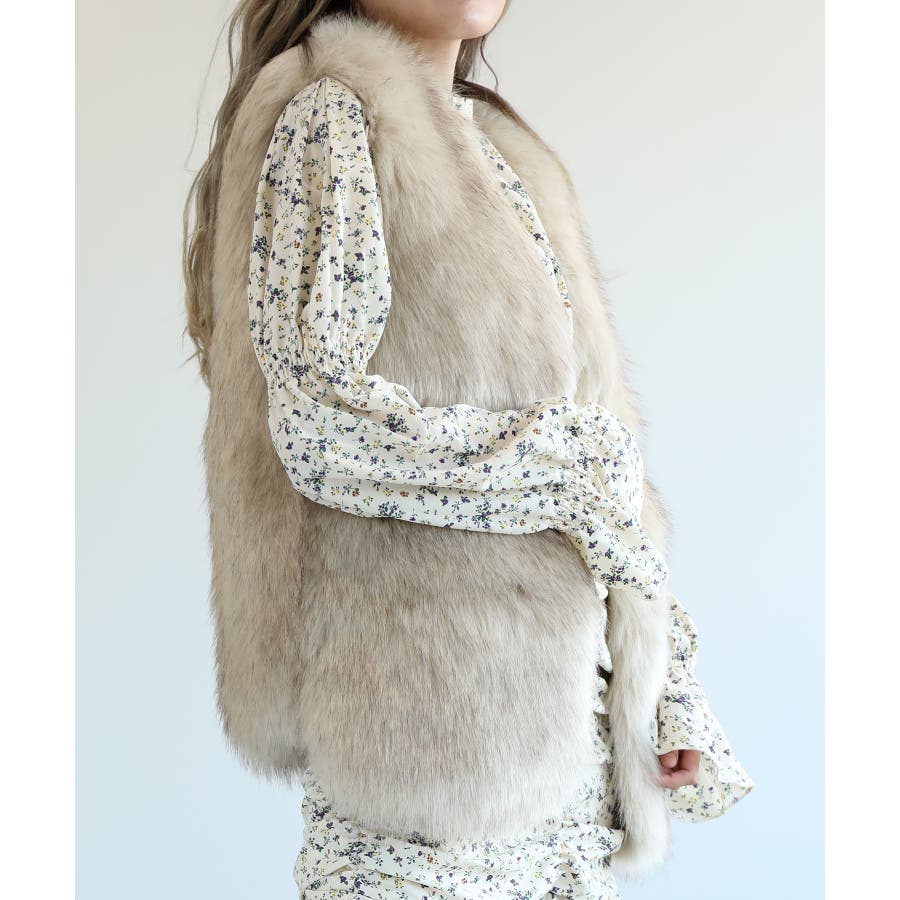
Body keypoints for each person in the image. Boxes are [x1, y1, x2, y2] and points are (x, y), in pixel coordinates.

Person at [182, 2, 754, 897]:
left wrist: (662, 682)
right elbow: (322, 426)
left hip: (564, 765)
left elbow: (604, 466)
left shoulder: (501, 151)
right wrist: (562, 459)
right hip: (429, 762)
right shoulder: (334, 113)